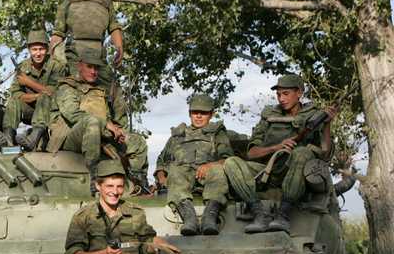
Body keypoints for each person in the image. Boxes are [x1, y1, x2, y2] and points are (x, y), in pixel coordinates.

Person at [223, 74, 334, 233]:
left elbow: (324, 154)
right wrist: (275, 147)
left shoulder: (314, 115)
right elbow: (251, 154)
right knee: (231, 163)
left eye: (286, 94)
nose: (281, 98)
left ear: (299, 93)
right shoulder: (269, 116)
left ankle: (283, 214)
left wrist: (327, 124)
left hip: (296, 173)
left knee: (302, 152)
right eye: (278, 94)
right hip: (266, 171)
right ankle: (258, 213)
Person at [48, 48, 148, 194]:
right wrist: (106, 124)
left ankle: (137, 180)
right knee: (93, 123)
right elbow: (73, 114)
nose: (94, 71)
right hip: (69, 137)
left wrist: (115, 129)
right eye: (90, 66)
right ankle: (94, 176)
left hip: (98, 134)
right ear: (80, 65)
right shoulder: (67, 86)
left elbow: (104, 115)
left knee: (137, 142)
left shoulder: (99, 90)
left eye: (96, 68)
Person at [154, 94, 233, 235]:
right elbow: (161, 161)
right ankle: (189, 218)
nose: (198, 116)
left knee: (218, 172)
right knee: (175, 171)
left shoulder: (217, 133)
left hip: (209, 176)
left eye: (203, 113)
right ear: (189, 113)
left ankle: (210, 217)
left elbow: (228, 159)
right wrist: (162, 178)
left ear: (211, 114)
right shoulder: (178, 135)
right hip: (182, 177)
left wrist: (210, 165)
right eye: (195, 112)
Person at [49, 0, 123, 85]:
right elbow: (58, 33)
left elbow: (114, 27)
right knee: (71, 89)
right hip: (75, 56)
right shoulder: (67, 3)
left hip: (98, 56)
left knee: (112, 91)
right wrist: (52, 55)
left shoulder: (104, 1)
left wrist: (119, 48)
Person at [1, 29, 64, 151]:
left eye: (41, 49)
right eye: (34, 49)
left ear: (47, 49)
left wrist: (28, 83)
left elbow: (54, 93)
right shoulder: (23, 67)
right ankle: (8, 139)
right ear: (29, 50)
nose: (38, 53)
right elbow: (16, 92)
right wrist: (35, 97)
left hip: (51, 111)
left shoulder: (56, 66)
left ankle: (32, 139)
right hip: (30, 109)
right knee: (14, 100)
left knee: (45, 97)